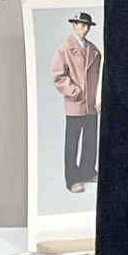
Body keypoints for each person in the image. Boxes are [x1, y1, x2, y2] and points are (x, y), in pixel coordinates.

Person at [50, 12, 102, 195]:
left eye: (88, 26)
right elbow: (58, 76)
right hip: (75, 104)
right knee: (72, 142)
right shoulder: (64, 49)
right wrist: (75, 92)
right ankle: (72, 179)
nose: (85, 29)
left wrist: (99, 98)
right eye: (82, 25)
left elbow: (100, 77)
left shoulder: (94, 50)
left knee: (90, 140)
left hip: (92, 105)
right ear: (73, 25)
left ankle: (88, 171)